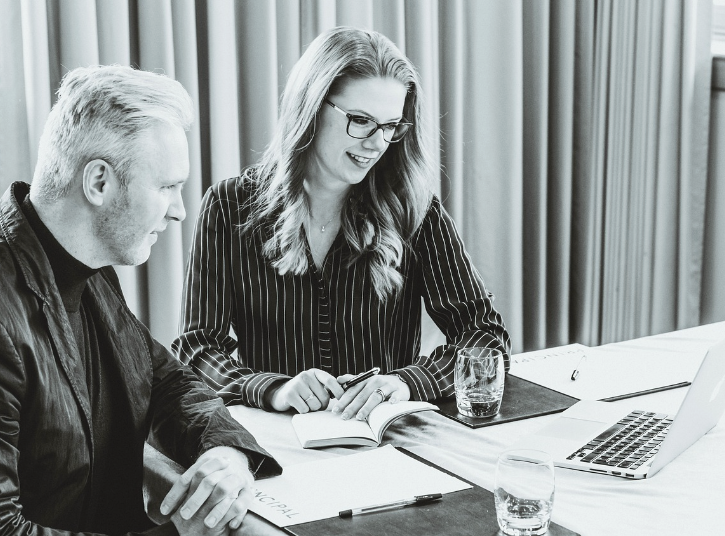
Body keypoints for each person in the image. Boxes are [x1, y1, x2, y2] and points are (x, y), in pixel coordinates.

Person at [0, 65, 282, 535]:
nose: (179, 211)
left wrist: (225, 453)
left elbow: (163, 378)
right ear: (99, 182)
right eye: (168, 187)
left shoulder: (84, 265)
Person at [174, 26, 511, 422]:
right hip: (282, 444)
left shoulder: (414, 211)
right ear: (312, 107)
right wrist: (274, 388)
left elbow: (485, 335)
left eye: (390, 126)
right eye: (361, 120)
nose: (376, 143)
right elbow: (196, 349)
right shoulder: (229, 207)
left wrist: (404, 383)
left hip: (387, 445)